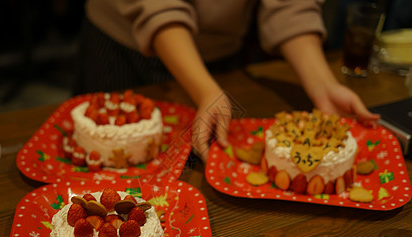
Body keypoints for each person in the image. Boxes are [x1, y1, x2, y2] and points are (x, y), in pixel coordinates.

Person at [73, 0, 380, 162]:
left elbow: (290, 5)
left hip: (224, 57)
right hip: (125, 50)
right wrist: (205, 88)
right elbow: (155, 5)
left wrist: (322, 85)